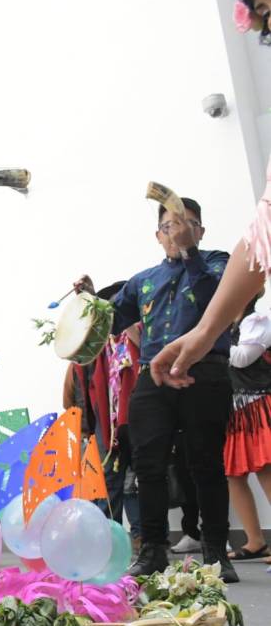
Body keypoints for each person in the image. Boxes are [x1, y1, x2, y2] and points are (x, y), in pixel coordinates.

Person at [83, 197, 238, 581]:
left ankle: (216, 551)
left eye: (187, 224)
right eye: (169, 226)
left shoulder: (219, 264)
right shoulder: (142, 280)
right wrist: (90, 300)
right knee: (147, 464)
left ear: (200, 230)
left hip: (206, 372)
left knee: (206, 464)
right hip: (154, 376)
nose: (177, 231)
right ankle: (153, 549)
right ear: (158, 235)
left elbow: (211, 301)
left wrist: (190, 253)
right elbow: (113, 320)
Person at [151, 0, 271, 385]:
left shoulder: (212, 260)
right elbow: (262, 238)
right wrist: (204, 332)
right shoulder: (144, 281)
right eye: (267, 11)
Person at [61, 281, 144, 550]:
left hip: (138, 416)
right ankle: (110, 541)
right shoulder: (99, 343)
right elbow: (80, 376)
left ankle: (150, 540)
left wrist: (130, 324)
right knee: (109, 481)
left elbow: (144, 349)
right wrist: (87, 298)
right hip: (106, 423)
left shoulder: (138, 331)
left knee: (145, 478)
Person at [223, 294, 271, 565]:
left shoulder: (258, 321)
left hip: (260, 404)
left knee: (266, 469)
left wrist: (212, 345)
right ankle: (255, 541)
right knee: (233, 474)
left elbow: (242, 358)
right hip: (238, 408)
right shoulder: (230, 327)